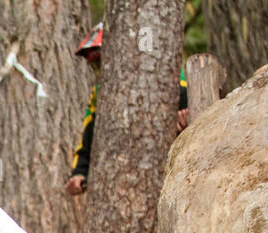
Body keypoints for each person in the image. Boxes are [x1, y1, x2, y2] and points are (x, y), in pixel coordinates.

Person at [65, 22, 191, 196]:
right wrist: (79, 172)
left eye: (103, 62)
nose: (102, 71)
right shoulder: (99, 92)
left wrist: (186, 117)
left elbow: (194, 106)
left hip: (175, 165)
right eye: (96, 66)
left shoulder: (161, 73)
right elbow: (89, 132)